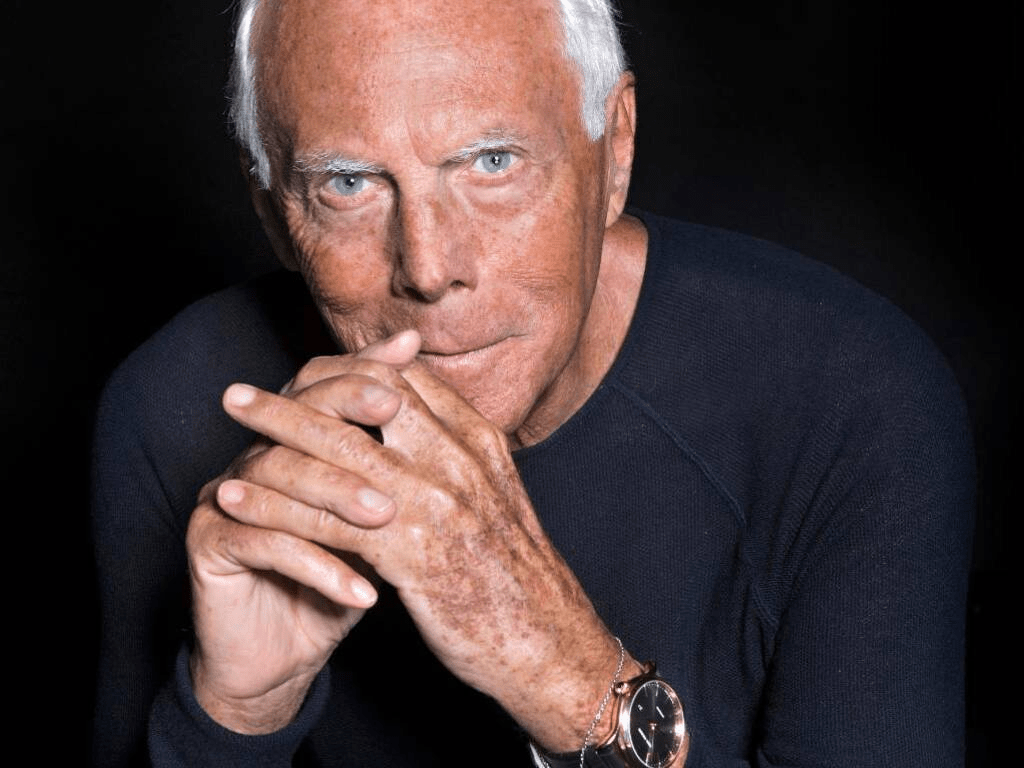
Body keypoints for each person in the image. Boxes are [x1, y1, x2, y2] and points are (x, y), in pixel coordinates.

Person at [91, 0, 974, 765]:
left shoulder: (852, 403)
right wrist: (233, 720)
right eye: (348, 183)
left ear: (615, 148)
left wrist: (566, 679)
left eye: (491, 162)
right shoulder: (179, 414)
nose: (428, 269)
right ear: (274, 211)